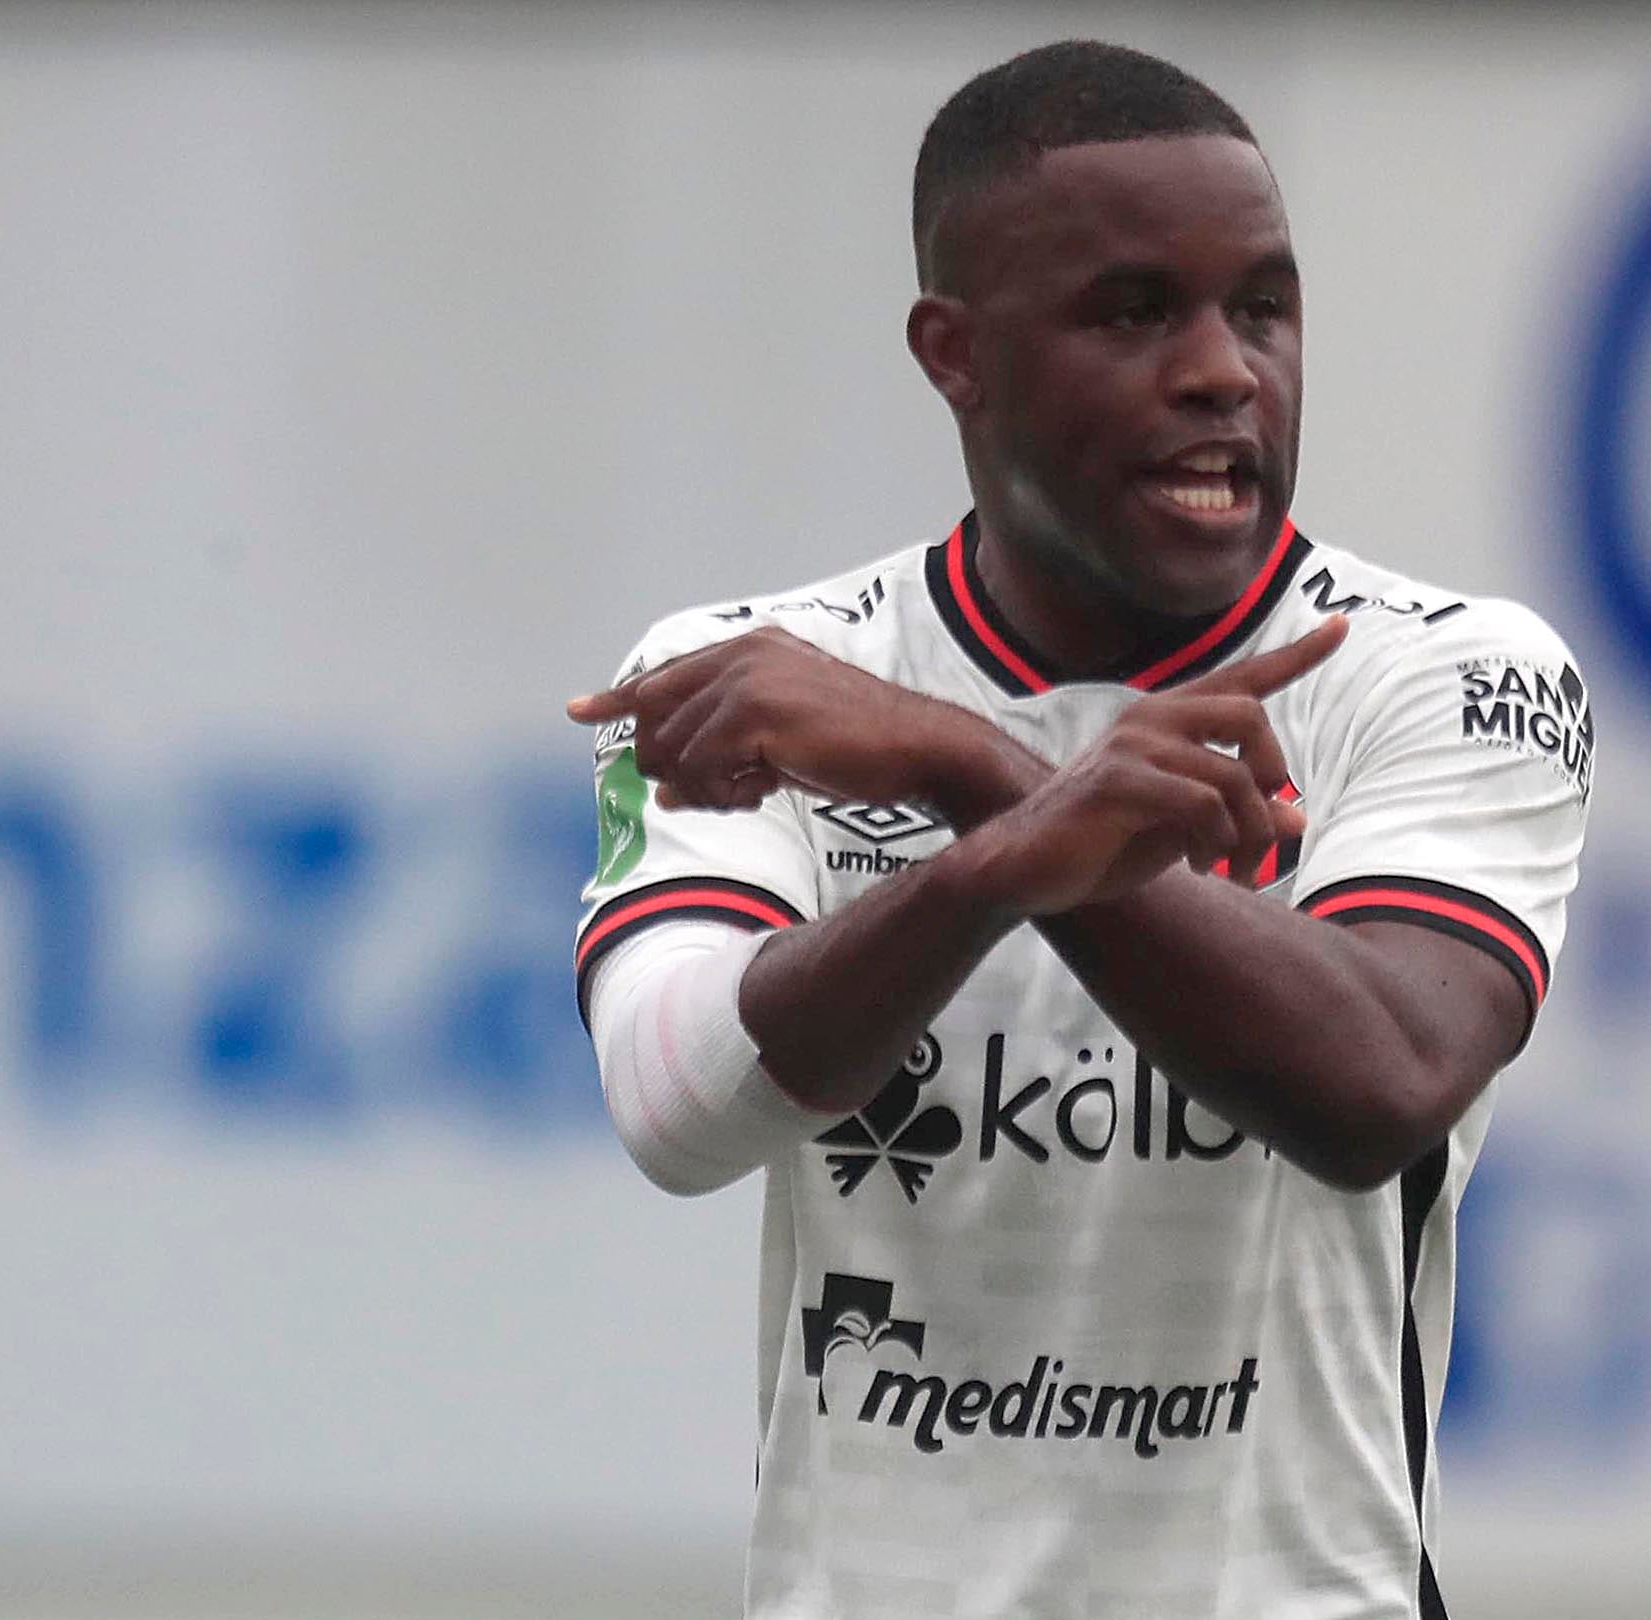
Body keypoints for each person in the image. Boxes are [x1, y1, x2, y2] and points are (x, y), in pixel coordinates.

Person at [564, 40, 1593, 1620]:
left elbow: (1379, 1087)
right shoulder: (736, 675)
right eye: (1134, 311)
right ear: (954, 354)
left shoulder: (1451, 674)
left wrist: (977, 782)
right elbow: (675, 1103)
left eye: (1262, 305)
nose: (1222, 371)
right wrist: (1008, 851)